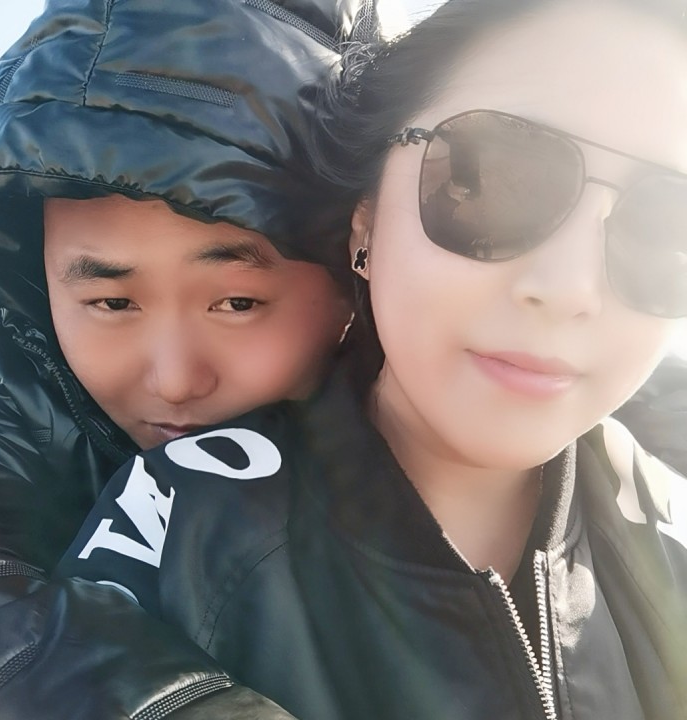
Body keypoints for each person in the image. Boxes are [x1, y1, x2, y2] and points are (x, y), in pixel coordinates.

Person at [60, 1, 687, 719]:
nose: (570, 289)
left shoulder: (671, 531)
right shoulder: (185, 525)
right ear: (365, 220)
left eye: (666, 226)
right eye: (486, 180)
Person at [0, 0, 381, 717]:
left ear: (356, 270)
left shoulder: (433, 405)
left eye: (237, 302)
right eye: (112, 302)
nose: (176, 380)